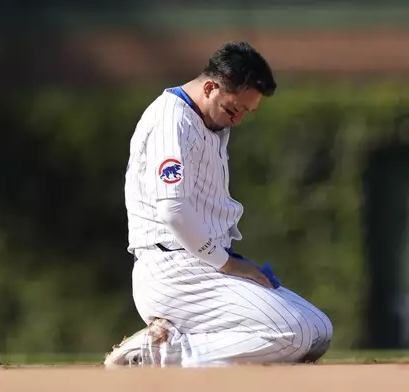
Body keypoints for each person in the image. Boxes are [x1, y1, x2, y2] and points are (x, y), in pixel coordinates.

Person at [105, 41, 332, 367]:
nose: (237, 120)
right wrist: (227, 262)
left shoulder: (208, 120)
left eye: (245, 112)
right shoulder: (172, 120)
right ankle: (161, 352)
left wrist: (222, 261)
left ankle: (172, 340)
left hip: (201, 265)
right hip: (174, 270)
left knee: (319, 332)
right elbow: (173, 210)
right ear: (210, 87)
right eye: (233, 109)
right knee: (293, 333)